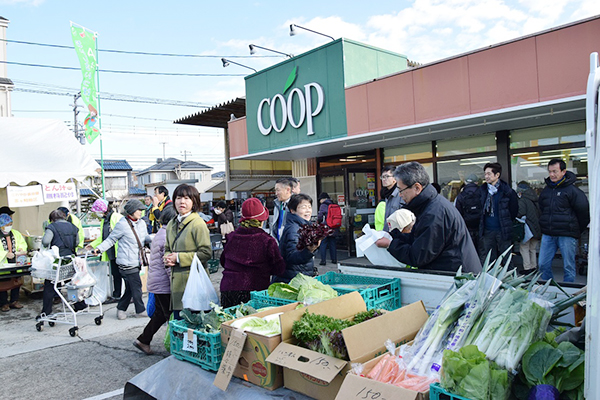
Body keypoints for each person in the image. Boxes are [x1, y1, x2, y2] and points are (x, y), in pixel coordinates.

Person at [375, 162, 481, 273]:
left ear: (417, 188)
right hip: (451, 272)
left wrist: (390, 244)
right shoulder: (429, 205)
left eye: (401, 190)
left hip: (458, 277)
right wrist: (394, 235)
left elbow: (418, 256)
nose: (400, 195)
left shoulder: (434, 213)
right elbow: (418, 238)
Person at [89, 200, 151, 320]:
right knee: (136, 285)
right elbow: (111, 239)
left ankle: (121, 308)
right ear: (132, 211)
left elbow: (145, 238)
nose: (141, 212)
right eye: (138, 210)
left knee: (130, 287)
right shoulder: (122, 224)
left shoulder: (142, 223)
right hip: (125, 261)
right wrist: (99, 249)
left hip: (138, 260)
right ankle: (140, 310)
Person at [219, 198, 286, 308]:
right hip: (255, 290)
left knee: (231, 322)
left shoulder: (231, 237)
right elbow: (279, 269)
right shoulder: (267, 240)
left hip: (229, 288)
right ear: (262, 220)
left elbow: (223, 261)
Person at [133, 204, 177, 355]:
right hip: (164, 285)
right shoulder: (167, 236)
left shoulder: (161, 233)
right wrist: (176, 284)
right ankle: (176, 348)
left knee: (160, 314)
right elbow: (168, 265)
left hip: (157, 283)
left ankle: (143, 340)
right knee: (171, 317)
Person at [538, 159, 590, 283]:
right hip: (548, 234)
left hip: (567, 235)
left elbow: (583, 213)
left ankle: (567, 295)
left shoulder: (573, 191)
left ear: (563, 171)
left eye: (555, 171)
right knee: (542, 264)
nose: (552, 175)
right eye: (550, 171)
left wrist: (575, 230)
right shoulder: (546, 190)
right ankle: (548, 289)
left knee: (569, 267)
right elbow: (541, 209)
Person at [163, 184, 212, 315]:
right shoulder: (171, 223)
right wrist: (167, 258)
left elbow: (206, 253)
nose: (182, 202)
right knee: (180, 326)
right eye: (179, 198)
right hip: (176, 285)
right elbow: (167, 248)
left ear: (194, 201)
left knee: (193, 328)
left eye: (186, 198)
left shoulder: (198, 223)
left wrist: (178, 258)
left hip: (194, 285)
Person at [40, 209, 85, 318]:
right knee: (73, 283)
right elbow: (77, 242)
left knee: (50, 286)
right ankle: (80, 305)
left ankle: (46, 311)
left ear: (52, 219)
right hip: (70, 260)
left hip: (57, 261)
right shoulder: (73, 227)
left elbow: (45, 241)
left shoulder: (52, 227)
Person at [273, 194, 321, 283]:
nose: (308, 210)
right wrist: (309, 250)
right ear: (293, 211)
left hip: (298, 277)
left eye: (309, 207)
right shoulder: (294, 229)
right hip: (291, 281)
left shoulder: (303, 227)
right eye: (303, 207)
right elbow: (292, 257)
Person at [477, 163, 518, 265]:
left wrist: (506, 222)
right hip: (487, 231)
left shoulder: (507, 191)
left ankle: (508, 280)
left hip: (502, 230)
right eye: (485, 174)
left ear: (497, 175)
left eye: (489, 174)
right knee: (488, 260)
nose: (486, 176)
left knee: (506, 259)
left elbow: (513, 211)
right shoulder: (482, 191)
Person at [89, 199, 123, 301]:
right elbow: (103, 237)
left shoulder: (116, 217)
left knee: (123, 274)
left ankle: (126, 295)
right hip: (111, 251)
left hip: (120, 250)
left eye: (97, 211)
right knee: (115, 274)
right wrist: (93, 245)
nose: (97, 214)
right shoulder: (105, 220)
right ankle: (117, 294)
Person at [0, 213, 27, 312]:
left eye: (10, 224)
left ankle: (14, 300)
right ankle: (4, 303)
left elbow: (23, 244)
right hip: (3, 264)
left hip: (16, 262)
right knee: (2, 284)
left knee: (16, 281)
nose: (9, 227)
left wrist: (21, 249)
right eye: (6, 225)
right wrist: (5, 254)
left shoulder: (15, 233)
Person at [516, 181, 541, 273]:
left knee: (524, 247)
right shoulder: (535, 198)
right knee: (533, 248)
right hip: (537, 227)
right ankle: (534, 266)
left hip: (528, 227)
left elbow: (520, 213)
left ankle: (527, 268)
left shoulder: (523, 200)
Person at [455, 174, 482, 251]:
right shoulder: (482, 193)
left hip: (467, 227)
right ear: (476, 182)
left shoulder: (461, 196)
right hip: (481, 227)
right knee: (482, 251)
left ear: (466, 183)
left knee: (470, 251)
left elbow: (458, 213)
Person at [380, 166, 403, 232]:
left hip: (399, 235)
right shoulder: (386, 195)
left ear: (395, 178)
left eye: (387, 176)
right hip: (388, 234)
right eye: (382, 177)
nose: (384, 179)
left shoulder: (400, 194)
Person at [317, 192, 337, 266]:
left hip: (325, 227)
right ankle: (334, 259)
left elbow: (320, 216)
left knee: (323, 243)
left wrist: (318, 222)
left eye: (320, 199)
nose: (320, 201)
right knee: (332, 243)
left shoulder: (323, 205)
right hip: (334, 226)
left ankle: (323, 261)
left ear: (324, 199)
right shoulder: (334, 204)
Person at [271, 177, 295, 242]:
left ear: (287, 190)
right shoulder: (277, 204)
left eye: (278, 190)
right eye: (275, 190)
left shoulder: (296, 204)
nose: (276, 193)